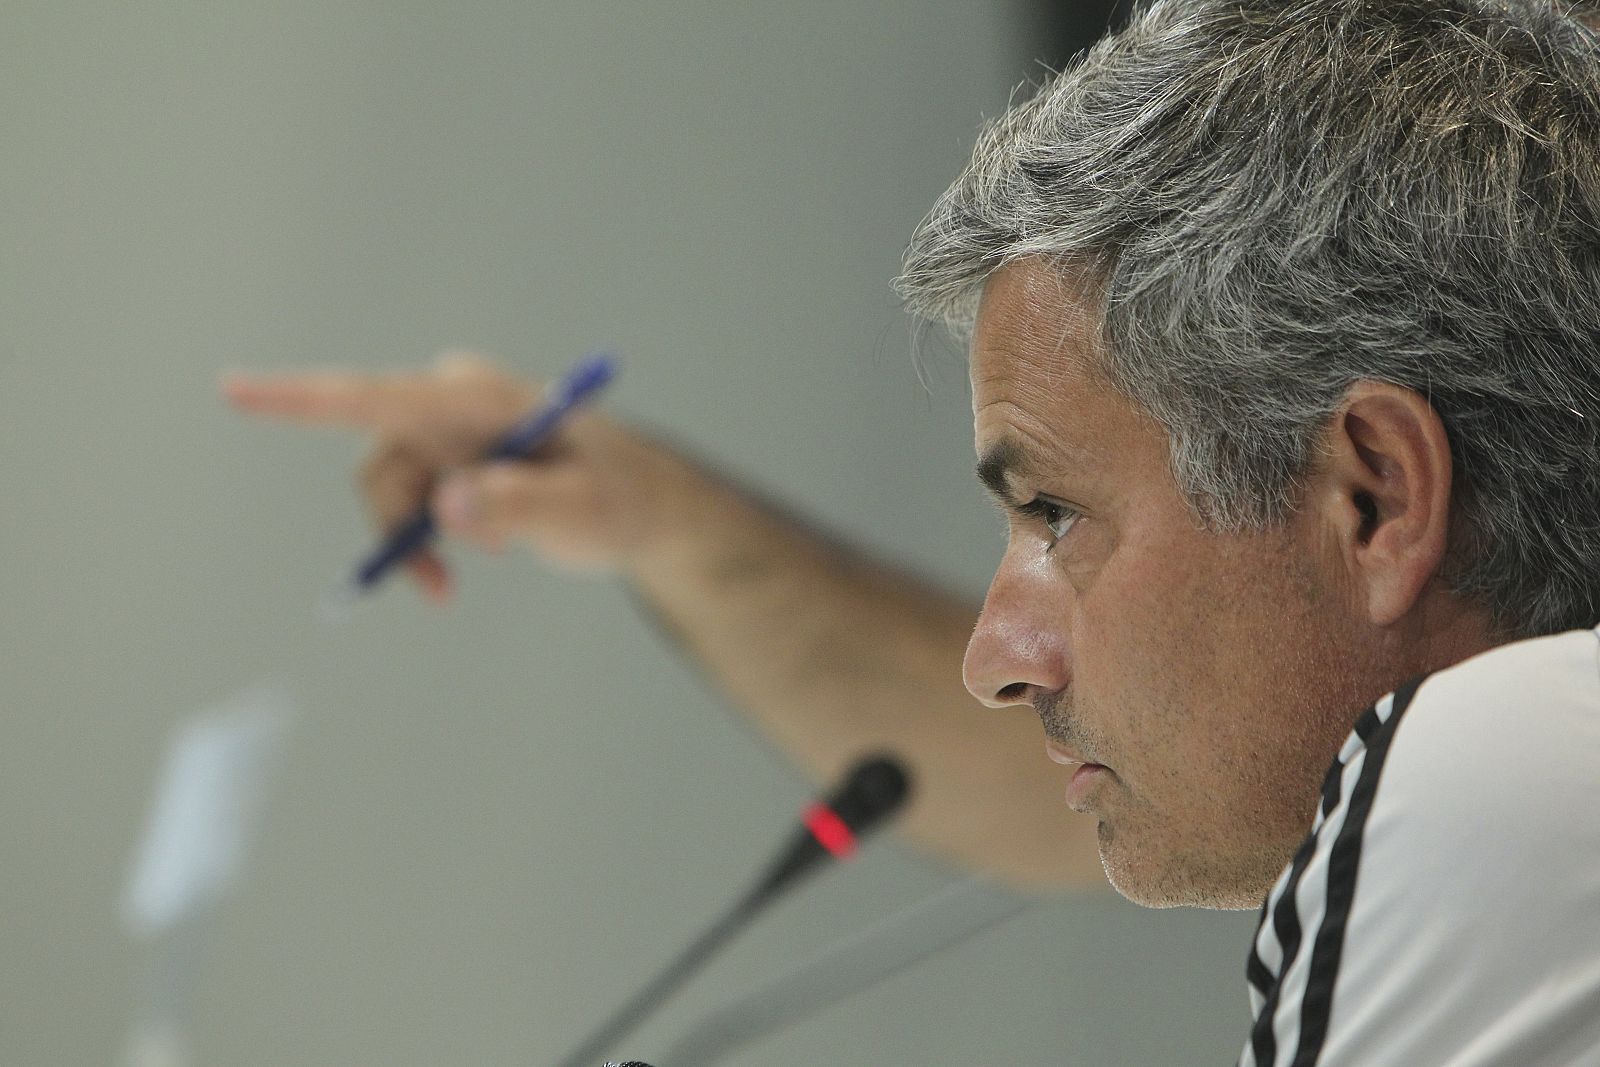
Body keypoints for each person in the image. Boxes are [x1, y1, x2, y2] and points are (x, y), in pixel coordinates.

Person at [226, 0, 1600, 1061]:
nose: (994, 661)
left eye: (1056, 513)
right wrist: (662, 519)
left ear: (1374, 497)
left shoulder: (1480, 780)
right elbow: (1135, 763)